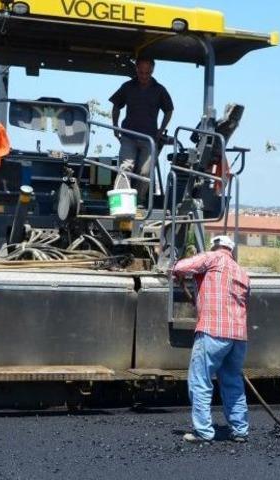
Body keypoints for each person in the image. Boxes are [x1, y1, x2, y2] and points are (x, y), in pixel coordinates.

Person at [172, 235, 251, 444]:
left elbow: (181, 267)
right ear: (231, 250)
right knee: (233, 383)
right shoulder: (242, 272)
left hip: (212, 331)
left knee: (200, 381)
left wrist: (175, 270)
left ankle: (203, 432)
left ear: (215, 246)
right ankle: (240, 431)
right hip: (238, 336)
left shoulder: (213, 258)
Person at [109, 57, 174, 202]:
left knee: (145, 173)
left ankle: (138, 201)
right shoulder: (127, 86)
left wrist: (161, 130)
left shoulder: (159, 90)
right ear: (137, 70)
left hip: (149, 138)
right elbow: (116, 106)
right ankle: (122, 201)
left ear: (152, 71)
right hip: (129, 136)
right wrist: (115, 125)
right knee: (125, 168)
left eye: (147, 73)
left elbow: (169, 110)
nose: (144, 76)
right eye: (141, 72)